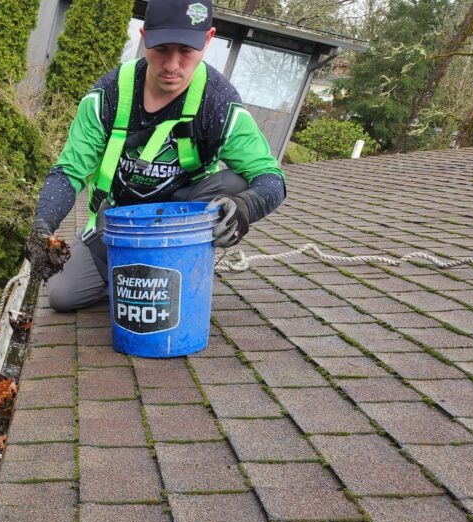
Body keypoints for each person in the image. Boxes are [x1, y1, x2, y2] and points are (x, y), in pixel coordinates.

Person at [30, 0, 286, 312]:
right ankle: (131, 271)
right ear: (144, 36)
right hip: (118, 224)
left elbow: (272, 179)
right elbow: (68, 173)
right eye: (162, 48)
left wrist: (247, 207)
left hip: (178, 226)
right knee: (61, 295)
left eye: (186, 50)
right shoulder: (108, 96)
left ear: (207, 40)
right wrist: (43, 225)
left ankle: (174, 265)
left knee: (235, 183)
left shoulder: (218, 104)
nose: (172, 65)